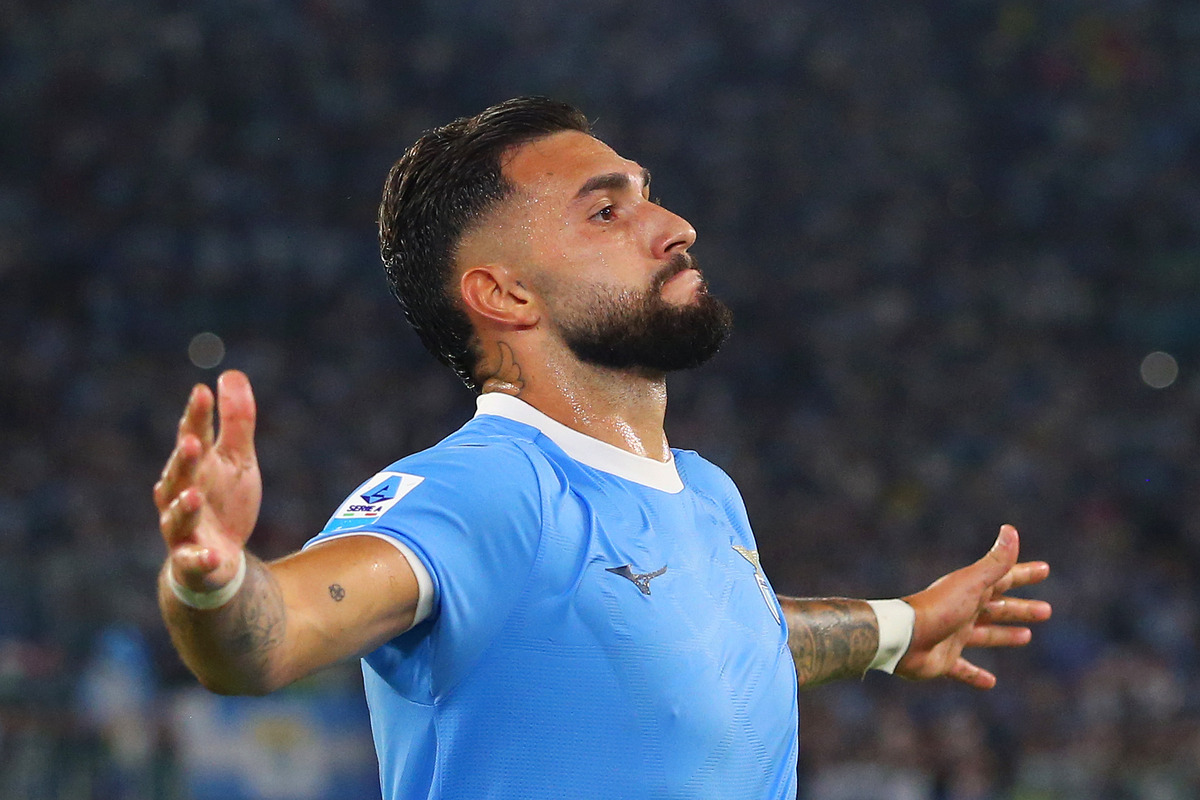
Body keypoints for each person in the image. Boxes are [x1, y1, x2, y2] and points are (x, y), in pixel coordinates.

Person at [154, 97, 1051, 800]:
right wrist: (215, 580)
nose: (672, 225)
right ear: (504, 294)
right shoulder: (491, 489)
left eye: (645, 193)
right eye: (606, 212)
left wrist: (901, 627)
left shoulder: (706, 496)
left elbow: (740, 636)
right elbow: (265, 642)